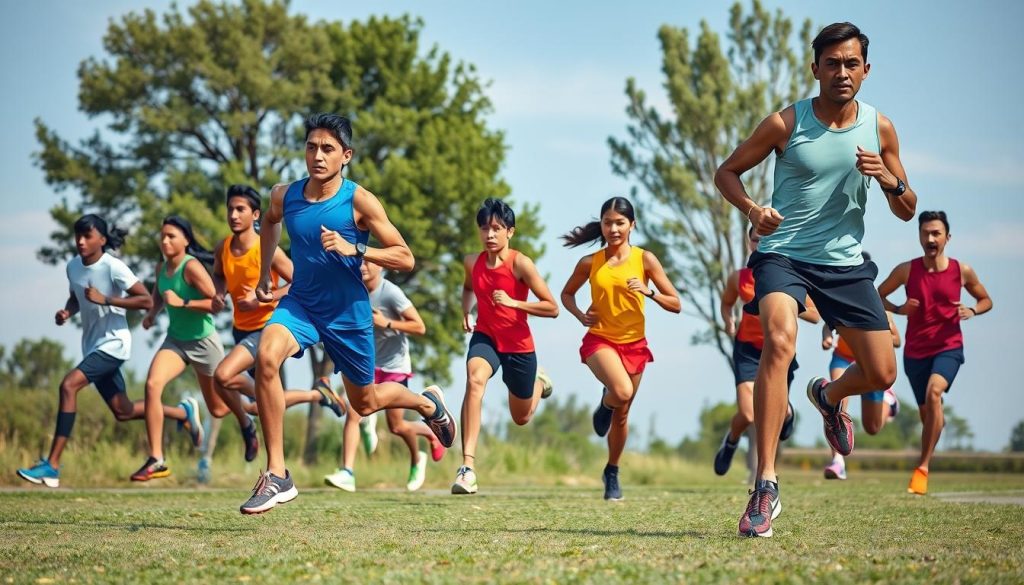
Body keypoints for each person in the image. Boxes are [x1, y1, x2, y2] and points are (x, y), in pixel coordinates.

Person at [715, 22, 917, 537]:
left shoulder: (881, 129)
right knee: (778, 342)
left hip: (846, 264)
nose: (842, 72)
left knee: (882, 374)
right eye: (832, 63)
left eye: (851, 63)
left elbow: (906, 209)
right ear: (816, 69)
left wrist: (888, 179)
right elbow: (726, 172)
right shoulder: (786, 123)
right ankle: (765, 484)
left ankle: (827, 398)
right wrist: (753, 210)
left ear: (866, 71)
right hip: (783, 255)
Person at [240, 113, 456, 514]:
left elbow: (405, 256)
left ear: (346, 156)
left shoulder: (358, 200)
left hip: (347, 313)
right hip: (301, 303)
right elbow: (270, 224)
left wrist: (355, 248)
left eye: (327, 149)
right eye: (311, 147)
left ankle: (427, 405)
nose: (317, 156)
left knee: (367, 402)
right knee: (266, 357)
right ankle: (277, 474)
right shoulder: (283, 195)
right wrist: (265, 269)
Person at [16, 215, 194, 487]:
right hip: (92, 345)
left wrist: (107, 299)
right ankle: (182, 413)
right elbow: (76, 296)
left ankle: (51, 466)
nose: (80, 241)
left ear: (102, 239)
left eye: (87, 236)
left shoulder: (113, 267)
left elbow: (146, 300)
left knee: (68, 386)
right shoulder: (73, 267)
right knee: (122, 411)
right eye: (78, 235)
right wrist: (67, 311)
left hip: (114, 344)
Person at [201, 184, 346, 482]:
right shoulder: (223, 247)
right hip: (240, 330)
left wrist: (265, 297)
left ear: (256, 214)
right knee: (260, 403)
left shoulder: (267, 250)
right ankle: (315, 395)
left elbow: (301, 283)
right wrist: (218, 294)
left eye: (241, 209)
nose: (234, 214)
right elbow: (219, 275)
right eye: (230, 209)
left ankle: (245, 426)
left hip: (268, 329)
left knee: (224, 375)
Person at [560, 197, 681, 501]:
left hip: (634, 344)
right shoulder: (590, 262)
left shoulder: (645, 260)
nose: (613, 228)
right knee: (622, 392)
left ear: (632, 225)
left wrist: (649, 291)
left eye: (619, 222)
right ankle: (605, 403)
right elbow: (566, 294)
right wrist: (579, 314)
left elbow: (676, 304)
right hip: (600, 339)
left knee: (623, 415)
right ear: (601, 225)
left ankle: (612, 470)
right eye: (607, 222)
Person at [877, 211, 992, 495]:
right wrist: (899, 310)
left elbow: (986, 299)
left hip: (948, 347)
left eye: (936, 233)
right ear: (919, 236)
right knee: (928, 414)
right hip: (915, 352)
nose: (931, 238)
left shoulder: (961, 271)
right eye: (926, 233)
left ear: (947, 238)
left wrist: (973, 309)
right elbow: (877, 294)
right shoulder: (907, 270)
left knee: (934, 393)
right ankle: (935, 424)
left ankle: (923, 467)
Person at [451, 197, 558, 495]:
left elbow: (552, 307)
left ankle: (539, 384)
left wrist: (515, 302)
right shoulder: (472, 261)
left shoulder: (521, 264)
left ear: (510, 231)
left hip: (518, 345)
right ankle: (467, 468)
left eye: (497, 228)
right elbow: (468, 287)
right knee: (474, 380)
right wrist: (465, 311)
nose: (490, 234)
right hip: (486, 336)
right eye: (484, 228)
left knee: (521, 417)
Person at [132, 215, 252, 481]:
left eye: (171, 236)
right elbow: (160, 296)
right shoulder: (161, 267)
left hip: (203, 342)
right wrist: (153, 314)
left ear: (186, 240)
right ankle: (156, 459)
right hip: (175, 340)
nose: (165, 240)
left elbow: (216, 304)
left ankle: (247, 420)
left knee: (219, 409)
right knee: (152, 385)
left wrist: (183, 303)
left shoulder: (192, 267)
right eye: (162, 236)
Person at [324, 260, 445, 493]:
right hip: (367, 363)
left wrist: (386, 322)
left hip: (394, 365)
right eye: (360, 262)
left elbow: (419, 327)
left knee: (397, 426)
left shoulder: (390, 293)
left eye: (370, 262)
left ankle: (424, 446)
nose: (364, 267)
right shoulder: (352, 290)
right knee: (353, 412)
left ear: (381, 266)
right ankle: (347, 472)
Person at [714, 227, 819, 479]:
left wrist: (781, 302)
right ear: (749, 242)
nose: (760, 244)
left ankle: (788, 413)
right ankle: (731, 439)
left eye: (766, 240)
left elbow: (815, 315)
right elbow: (727, 303)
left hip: (778, 351)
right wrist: (728, 320)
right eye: (756, 240)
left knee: (777, 414)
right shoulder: (738, 278)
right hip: (748, 350)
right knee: (749, 413)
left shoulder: (791, 279)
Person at [821, 253, 902, 480]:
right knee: (834, 401)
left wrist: (881, 338)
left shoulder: (878, 309)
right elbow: (828, 326)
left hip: (870, 364)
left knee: (872, 427)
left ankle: (889, 401)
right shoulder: (839, 301)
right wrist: (827, 337)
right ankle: (837, 461)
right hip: (843, 359)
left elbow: (897, 341)